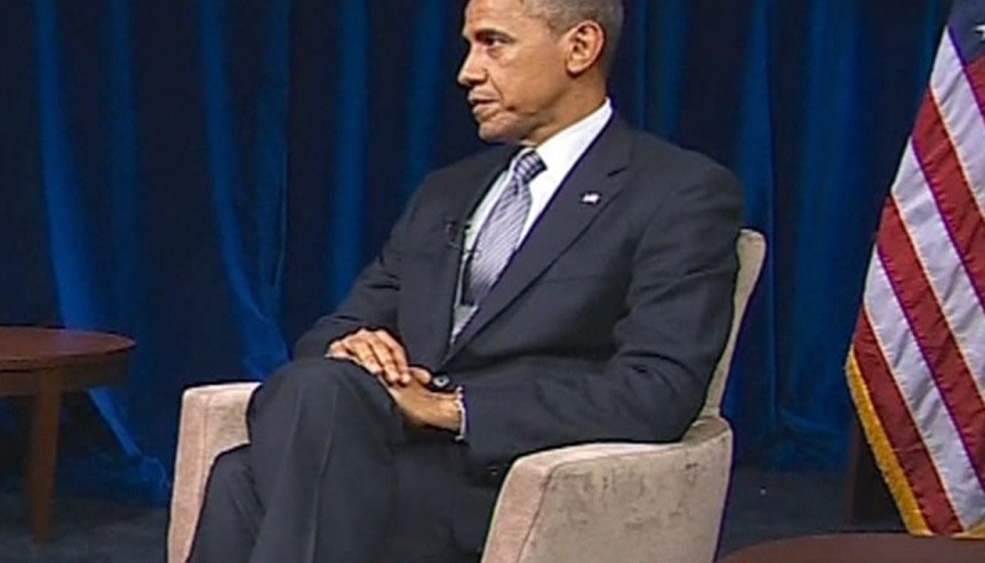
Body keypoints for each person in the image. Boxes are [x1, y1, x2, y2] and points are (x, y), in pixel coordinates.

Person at [186, 0, 742, 561]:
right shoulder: (447, 192)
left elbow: (657, 389)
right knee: (313, 393)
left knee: (245, 480)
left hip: (509, 480)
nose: (467, 72)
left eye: (493, 43)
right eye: (469, 46)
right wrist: (355, 348)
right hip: (381, 457)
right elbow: (330, 333)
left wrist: (452, 409)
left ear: (580, 47)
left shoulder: (677, 192)